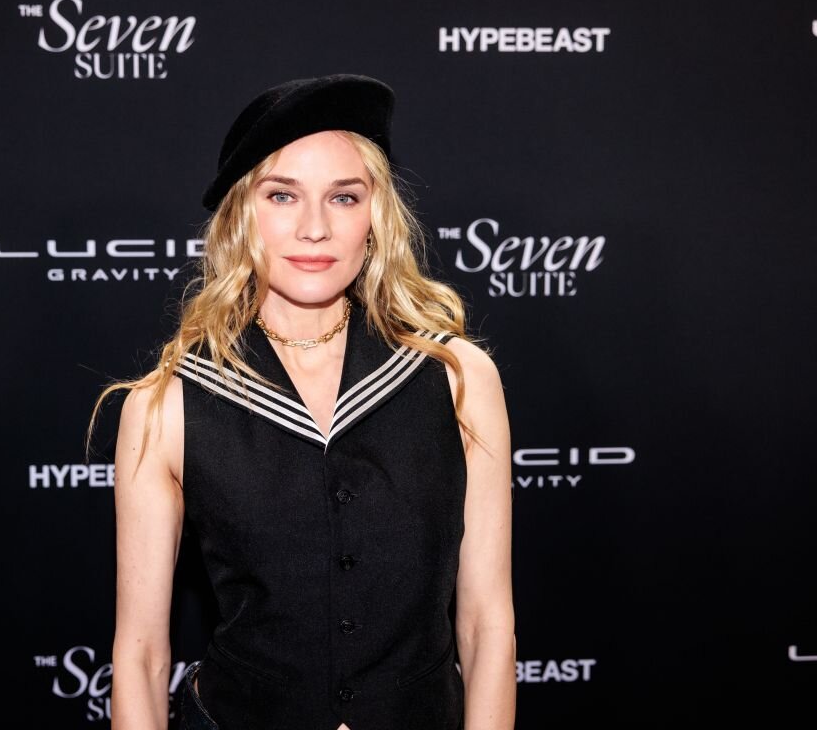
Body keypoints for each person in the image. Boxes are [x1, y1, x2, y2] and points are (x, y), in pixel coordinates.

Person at [98, 73, 515, 730]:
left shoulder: (457, 378)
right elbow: (143, 655)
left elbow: (487, 625)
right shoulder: (166, 405)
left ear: (374, 217)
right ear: (241, 214)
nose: (315, 228)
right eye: (282, 195)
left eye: (343, 197)